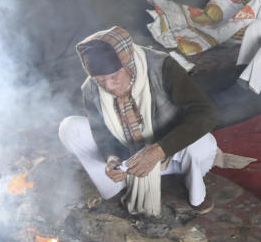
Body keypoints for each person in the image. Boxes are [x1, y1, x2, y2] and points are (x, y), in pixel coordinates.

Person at [58, 26, 218, 217]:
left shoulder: (162, 67)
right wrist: (112, 158)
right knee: (70, 128)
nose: (109, 86)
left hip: (172, 154)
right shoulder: (91, 90)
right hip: (130, 162)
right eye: (100, 80)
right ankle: (115, 188)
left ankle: (195, 191)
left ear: (128, 63)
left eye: (113, 76)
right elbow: (101, 131)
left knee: (203, 144)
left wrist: (159, 150)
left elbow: (207, 114)